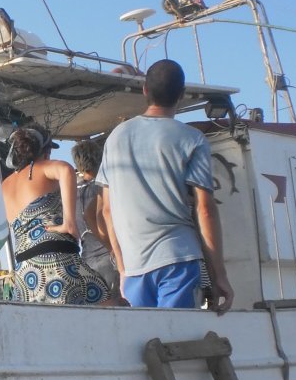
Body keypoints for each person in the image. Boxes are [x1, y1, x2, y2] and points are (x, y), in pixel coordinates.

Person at [97, 59, 233, 311]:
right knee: (176, 333)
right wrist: (219, 275)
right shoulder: (193, 139)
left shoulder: (116, 137)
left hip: (135, 266)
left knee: (146, 334)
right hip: (178, 260)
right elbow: (205, 210)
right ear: (181, 95)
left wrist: (123, 268)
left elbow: (106, 211)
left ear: (145, 90)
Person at [1, 125, 110, 305]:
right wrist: (69, 222)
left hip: (25, 268)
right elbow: (66, 169)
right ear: (45, 150)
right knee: (104, 302)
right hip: (55, 256)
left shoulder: (5, 184)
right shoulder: (41, 168)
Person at [70, 138, 123, 300]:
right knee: (120, 305)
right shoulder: (103, 187)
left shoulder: (72, 192)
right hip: (108, 256)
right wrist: (113, 249)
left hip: (86, 260)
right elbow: (96, 216)